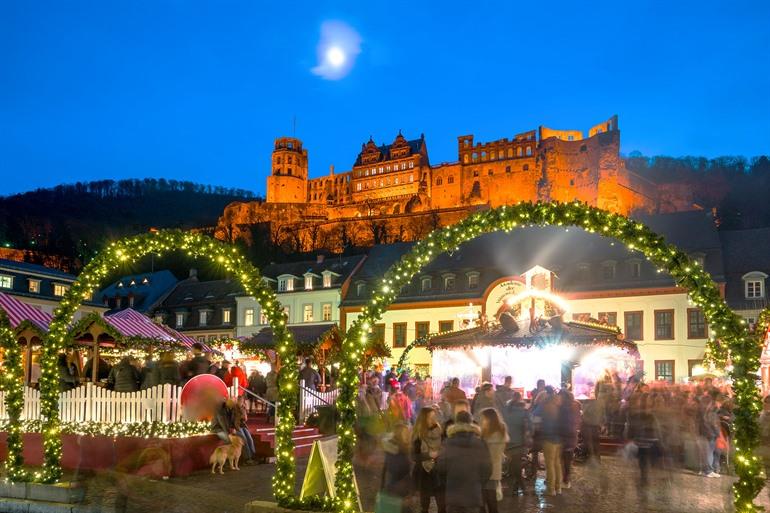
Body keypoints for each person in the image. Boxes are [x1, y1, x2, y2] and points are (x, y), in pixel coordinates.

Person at [437, 410, 491, 513]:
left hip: (453, 495)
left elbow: (440, 468)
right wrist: (479, 482)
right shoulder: (480, 443)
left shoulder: (447, 443)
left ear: (456, 423)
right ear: (471, 422)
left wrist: (448, 481)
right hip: (473, 494)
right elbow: (487, 469)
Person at [413, 407, 445, 513]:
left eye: (433, 416)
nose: (433, 419)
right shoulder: (418, 435)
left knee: (442, 504)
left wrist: (440, 454)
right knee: (424, 505)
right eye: (429, 417)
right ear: (423, 419)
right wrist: (428, 455)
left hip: (439, 470)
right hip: (424, 472)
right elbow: (414, 456)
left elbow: (445, 448)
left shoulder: (440, 431)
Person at [479, 408, 509, 513]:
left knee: (488, 501)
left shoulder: (492, 436)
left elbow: (491, 455)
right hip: (492, 470)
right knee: (487, 500)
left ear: (489, 419)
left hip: (489, 471)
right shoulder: (499, 431)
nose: (482, 421)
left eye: (484, 418)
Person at [533, 392, 563, 496]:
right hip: (559, 439)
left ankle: (551, 489)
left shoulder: (544, 407)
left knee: (550, 464)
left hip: (548, 438)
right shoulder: (560, 408)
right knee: (557, 463)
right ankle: (558, 487)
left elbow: (534, 416)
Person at [502, 391, 531, 496]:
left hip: (508, 442)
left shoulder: (505, 410)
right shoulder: (524, 411)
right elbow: (530, 427)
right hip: (519, 442)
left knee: (513, 465)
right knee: (516, 465)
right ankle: (522, 487)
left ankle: (515, 488)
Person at [380, 423, 412, 513]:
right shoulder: (396, 452)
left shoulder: (400, 449)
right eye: (405, 433)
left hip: (400, 492)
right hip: (396, 494)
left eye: (408, 433)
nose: (408, 436)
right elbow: (396, 473)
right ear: (398, 435)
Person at [558, 389, 581, 488]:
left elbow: (563, 422)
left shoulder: (564, 408)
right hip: (571, 435)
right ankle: (566, 479)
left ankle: (564, 479)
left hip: (565, 435)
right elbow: (578, 421)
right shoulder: (575, 405)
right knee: (567, 459)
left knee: (563, 459)